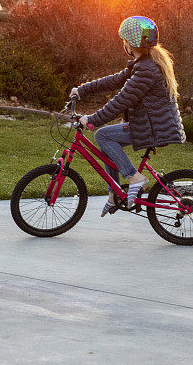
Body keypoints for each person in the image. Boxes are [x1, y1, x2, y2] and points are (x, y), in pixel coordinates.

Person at [70, 16, 186, 217]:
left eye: (124, 41)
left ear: (131, 45)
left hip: (154, 128)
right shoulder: (144, 63)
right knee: (107, 141)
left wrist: (93, 119)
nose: (124, 45)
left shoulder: (147, 70)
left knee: (103, 136)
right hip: (151, 124)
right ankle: (114, 194)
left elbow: (122, 100)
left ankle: (134, 177)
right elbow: (114, 81)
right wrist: (81, 90)